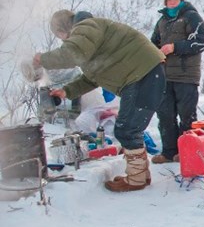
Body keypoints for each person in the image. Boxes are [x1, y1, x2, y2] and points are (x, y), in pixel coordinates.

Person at [32, 10, 166, 192]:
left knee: (127, 129)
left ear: (64, 27)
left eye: (60, 35)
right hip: (144, 74)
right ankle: (139, 176)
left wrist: (42, 59)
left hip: (142, 74)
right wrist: (66, 91)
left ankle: (137, 180)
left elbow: (71, 54)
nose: (62, 40)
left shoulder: (86, 27)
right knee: (129, 128)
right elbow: (92, 77)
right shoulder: (93, 38)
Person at [150, 0, 204, 164]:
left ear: (181, 0)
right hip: (165, 75)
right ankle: (168, 152)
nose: (171, 3)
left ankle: (187, 152)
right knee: (165, 115)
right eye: (168, 0)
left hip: (186, 75)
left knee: (187, 115)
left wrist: (175, 47)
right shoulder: (162, 21)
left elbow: (200, 43)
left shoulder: (192, 17)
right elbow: (153, 43)